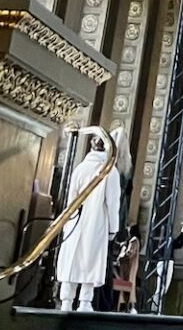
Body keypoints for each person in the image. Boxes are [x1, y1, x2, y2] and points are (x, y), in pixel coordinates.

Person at [55, 128, 120, 313]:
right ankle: (85, 301)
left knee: (72, 258)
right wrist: (113, 229)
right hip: (96, 221)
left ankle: (66, 299)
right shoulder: (109, 170)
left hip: (75, 220)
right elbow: (113, 203)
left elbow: (70, 197)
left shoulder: (80, 168)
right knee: (90, 260)